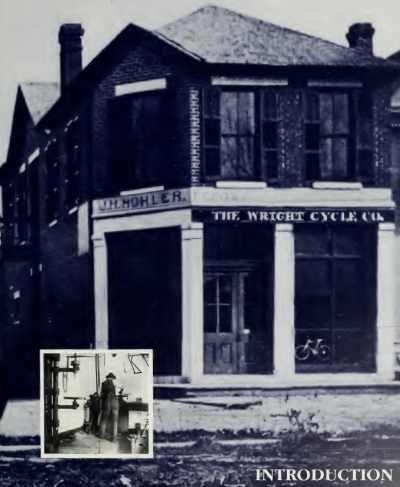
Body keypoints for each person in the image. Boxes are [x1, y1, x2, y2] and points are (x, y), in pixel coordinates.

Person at [99, 372, 119, 442]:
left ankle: (102, 436)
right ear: (112, 378)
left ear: (107, 377)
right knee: (115, 420)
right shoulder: (114, 385)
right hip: (115, 401)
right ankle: (114, 439)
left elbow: (101, 394)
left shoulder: (103, 383)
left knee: (104, 419)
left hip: (107, 401)